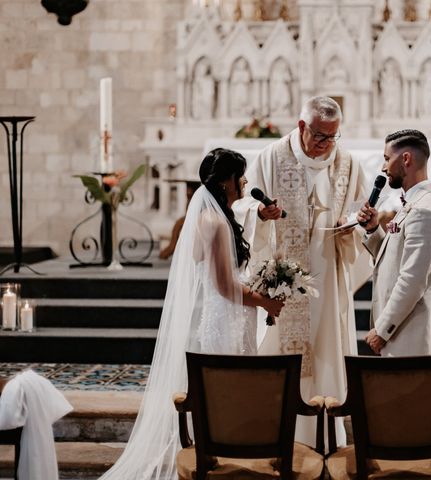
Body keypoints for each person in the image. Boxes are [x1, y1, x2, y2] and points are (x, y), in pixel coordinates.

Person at [99, 148, 283, 480]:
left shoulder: (214, 216)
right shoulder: (213, 222)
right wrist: (264, 301)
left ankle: (225, 460)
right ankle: (222, 463)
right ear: (227, 180)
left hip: (226, 314)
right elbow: (225, 286)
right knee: (226, 394)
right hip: (226, 316)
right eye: (240, 175)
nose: (244, 181)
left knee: (225, 394)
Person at [234, 96, 367, 448]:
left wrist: (355, 224)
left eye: (333, 137)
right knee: (285, 356)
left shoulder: (348, 164)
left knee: (327, 351)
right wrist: (261, 216)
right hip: (284, 281)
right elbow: (243, 206)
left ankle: (325, 438)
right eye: (321, 136)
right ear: (302, 127)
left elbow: (363, 211)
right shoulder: (270, 158)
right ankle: (281, 436)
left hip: (329, 276)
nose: (327, 145)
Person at [357, 129, 431, 356]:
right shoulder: (414, 205)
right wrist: (373, 229)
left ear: (406, 159)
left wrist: (382, 329)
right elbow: (395, 258)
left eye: (387, 159)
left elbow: (412, 280)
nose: (383, 167)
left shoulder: (424, 212)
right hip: (402, 330)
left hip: (411, 334)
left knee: (410, 391)